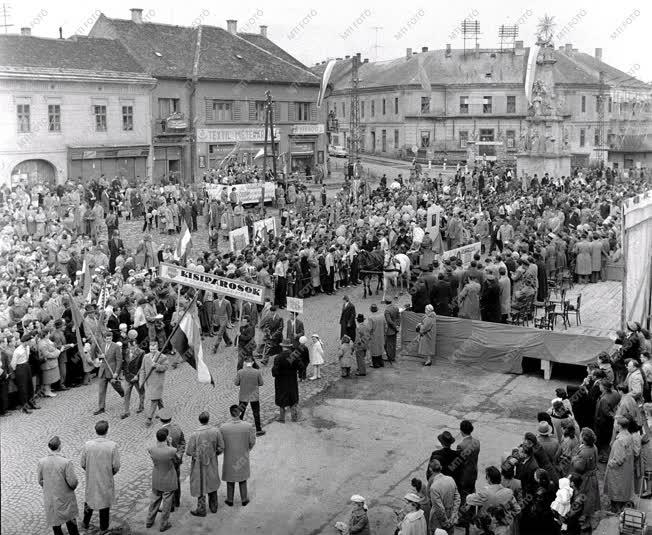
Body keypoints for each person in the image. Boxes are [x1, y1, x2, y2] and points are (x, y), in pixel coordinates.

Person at [81, 420, 120, 532]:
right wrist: (110, 473)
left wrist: (90, 470)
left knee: (89, 500)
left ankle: (85, 522)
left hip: (92, 478)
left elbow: (83, 463)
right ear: (107, 430)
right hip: (105, 478)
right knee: (105, 502)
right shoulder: (112, 446)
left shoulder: (87, 445)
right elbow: (116, 465)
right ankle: (104, 527)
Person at [37, 436, 80, 535]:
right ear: (60, 446)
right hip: (66, 498)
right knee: (71, 524)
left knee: (56, 525)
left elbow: (40, 480)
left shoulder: (42, 462)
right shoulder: (66, 462)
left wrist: (49, 487)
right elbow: (72, 482)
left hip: (51, 498)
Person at [186, 411, 225, 517]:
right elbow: (221, 447)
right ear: (208, 419)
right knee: (212, 482)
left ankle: (201, 509)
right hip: (212, 462)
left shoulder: (195, 434)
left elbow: (189, 451)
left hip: (199, 465)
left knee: (201, 485)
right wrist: (214, 453)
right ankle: (214, 507)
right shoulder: (216, 431)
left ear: (199, 420)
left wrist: (197, 455)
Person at [220, 404, 257, 507]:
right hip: (242, 455)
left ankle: (230, 499)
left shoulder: (223, 428)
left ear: (230, 413)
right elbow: (252, 441)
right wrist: (247, 449)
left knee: (230, 478)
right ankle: (244, 499)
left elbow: (221, 444)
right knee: (242, 478)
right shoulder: (247, 426)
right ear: (239, 412)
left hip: (229, 456)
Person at [146, 427, 177, 532]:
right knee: (167, 502)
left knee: (155, 499)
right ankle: (164, 524)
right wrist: (171, 444)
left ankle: (149, 521)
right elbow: (176, 458)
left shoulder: (151, 449)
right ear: (166, 438)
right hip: (168, 478)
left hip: (157, 476)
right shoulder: (171, 450)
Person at [604, 416, 635, 512]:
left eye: (615, 424)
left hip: (618, 472)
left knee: (617, 491)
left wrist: (610, 463)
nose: (614, 425)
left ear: (619, 426)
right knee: (623, 490)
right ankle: (620, 507)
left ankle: (616, 509)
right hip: (626, 470)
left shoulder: (619, 441)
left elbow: (618, 460)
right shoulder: (629, 436)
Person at [272, 340, 303, 422]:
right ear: (289, 346)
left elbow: (275, 371)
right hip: (292, 380)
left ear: (282, 346)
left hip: (281, 382)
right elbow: (301, 366)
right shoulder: (294, 355)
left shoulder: (278, 357)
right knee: (293, 398)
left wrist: (277, 374)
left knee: (282, 399)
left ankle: (282, 418)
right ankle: (294, 417)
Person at [93, 330, 123, 416]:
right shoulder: (101, 345)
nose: (108, 340)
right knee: (101, 391)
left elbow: (119, 360)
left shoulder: (116, 347)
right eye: (107, 339)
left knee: (116, 386)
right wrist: (100, 356)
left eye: (110, 338)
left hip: (112, 371)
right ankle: (101, 407)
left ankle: (123, 393)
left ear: (112, 338)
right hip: (103, 371)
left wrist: (117, 372)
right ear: (104, 339)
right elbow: (98, 355)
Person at [139, 339, 168, 426]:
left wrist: (156, 366)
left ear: (157, 347)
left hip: (158, 382)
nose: (152, 351)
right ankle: (163, 412)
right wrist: (141, 381)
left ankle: (149, 418)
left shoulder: (163, 357)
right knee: (157, 398)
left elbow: (165, 367)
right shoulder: (146, 357)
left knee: (154, 399)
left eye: (154, 349)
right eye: (151, 349)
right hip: (149, 382)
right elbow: (142, 369)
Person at [427, 459, 460, 535]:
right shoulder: (450, 479)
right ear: (440, 467)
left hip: (438, 519)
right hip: (451, 514)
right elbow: (457, 498)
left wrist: (445, 522)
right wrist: (453, 515)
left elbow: (439, 507)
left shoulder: (434, 487)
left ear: (430, 469)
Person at [235, 355, 266, 436]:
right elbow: (261, 383)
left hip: (243, 396)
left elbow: (236, 383)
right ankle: (258, 430)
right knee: (256, 413)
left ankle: (237, 429)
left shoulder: (240, 372)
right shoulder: (257, 372)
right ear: (252, 362)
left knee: (240, 413)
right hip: (254, 396)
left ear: (245, 362)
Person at [121, 329, 145, 419]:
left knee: (141, 392)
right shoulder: (125, 351)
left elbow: (142, 366)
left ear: (136, 345)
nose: (131, 349)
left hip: (136, 376)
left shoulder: (141, 352)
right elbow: (124, 363)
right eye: (130, 347)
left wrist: (137, 375)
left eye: (133, 347)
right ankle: (126, 411)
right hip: (127, 377)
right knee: (126, 394)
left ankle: (141, 406)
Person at [457, 420, 480, 504]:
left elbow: (458, 462)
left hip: (464, 475)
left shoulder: (461, 446)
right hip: (473, 472)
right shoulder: (477, 442)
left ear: (461, 431)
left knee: (464, 496)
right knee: (472, 492)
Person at [368, 304, 385, 368]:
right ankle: (381, 362)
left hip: (374, 336)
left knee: (374, 350)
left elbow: (370, 328)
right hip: (381, 335)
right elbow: (385, 325)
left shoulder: (371, 318)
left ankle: (376, 364)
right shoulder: (381, 316)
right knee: (380, 349)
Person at [384, 297, 400, 364]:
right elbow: (399, 318)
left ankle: (390, 357)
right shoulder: (396, 308)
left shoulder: (387, 310)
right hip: (395, 328)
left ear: (385, 302)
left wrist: (394, 327)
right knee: (394, 343)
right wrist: (397, 326)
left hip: (390, 329)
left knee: (389, 344)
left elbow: (389, 321)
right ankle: (393, 356)